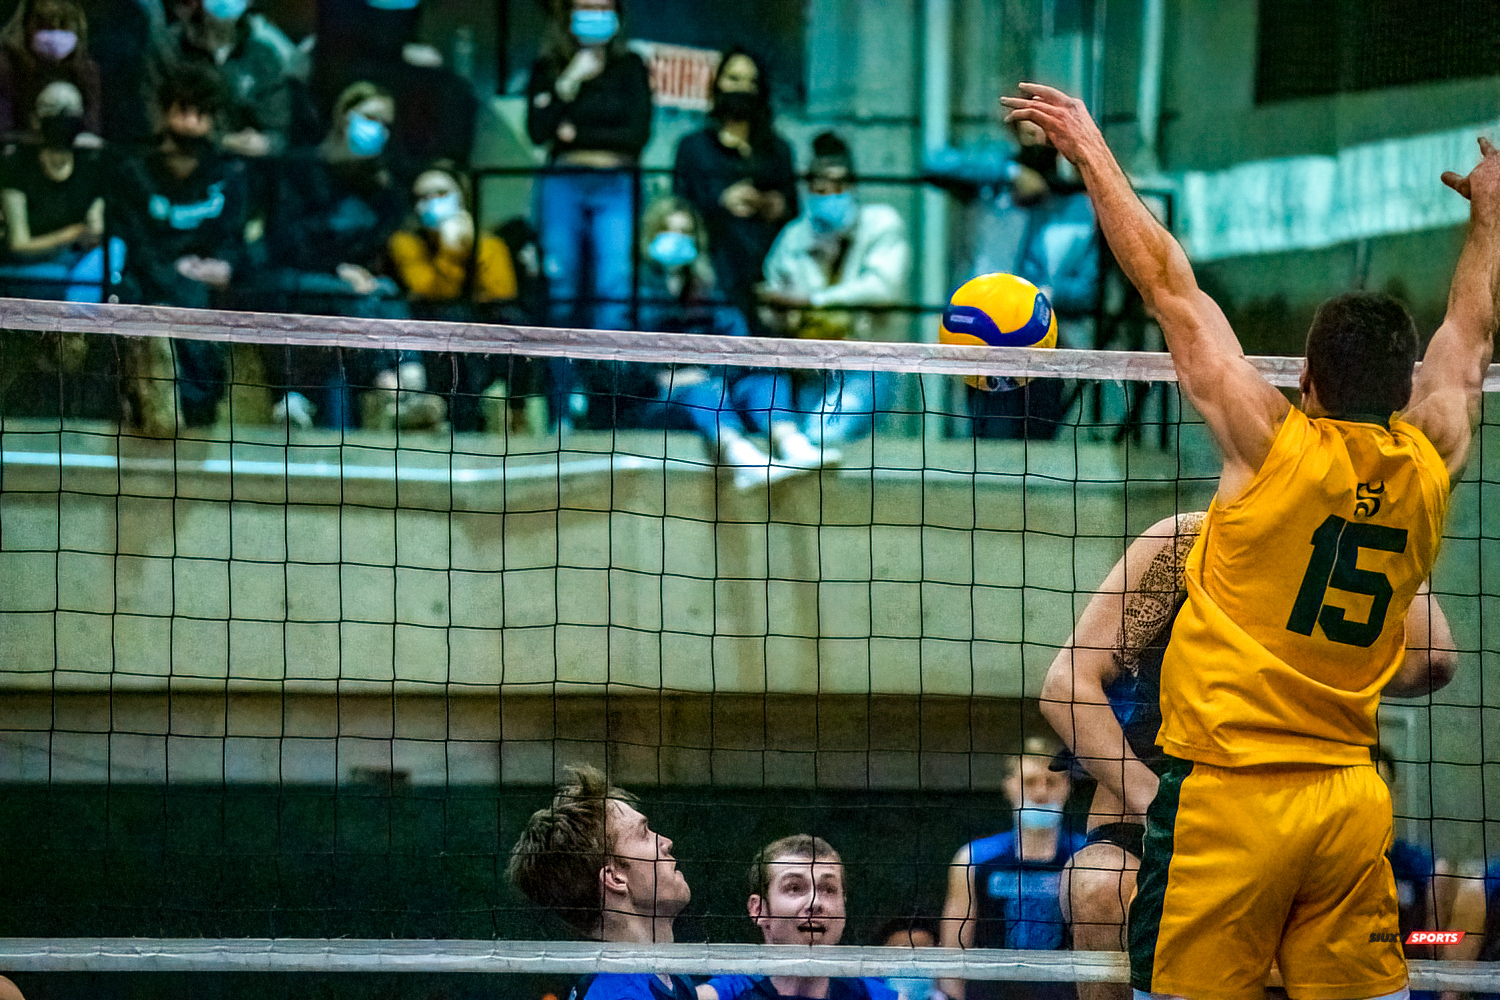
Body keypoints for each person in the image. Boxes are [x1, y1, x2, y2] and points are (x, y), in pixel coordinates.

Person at [1003, 82, 1500, 1000]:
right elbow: (1468, 339)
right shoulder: (1434, 457)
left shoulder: (1269, 447)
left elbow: (1168, 282)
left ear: (1304, 376)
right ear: (1403, 389)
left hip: (1231, 802)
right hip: (1349, 802)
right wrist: (1491, 216)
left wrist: (1090, 151)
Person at [1038, 513, 1458, 1000]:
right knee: (1099, 887)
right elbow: (1066, 685)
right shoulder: (1190, 539)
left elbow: (1431, 660)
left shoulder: (1345, 552)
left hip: (1300, 811)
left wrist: (1391, 528)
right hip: (1164, 812)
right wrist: (1162, 805)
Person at [927, 118, 1098, 439]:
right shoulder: (991, 186)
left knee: (1036, 444)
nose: (1034, 132)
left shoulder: (1079, 206)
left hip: (1048, 344)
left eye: (1045, 124)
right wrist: (1011, 174)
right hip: (987, 336)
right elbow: (935, 163)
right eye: (1026, 123)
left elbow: (1087, 289)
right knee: (992, 438)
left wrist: (1045, 296)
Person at [526, 0, 651, 426]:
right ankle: (562, 408)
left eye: (603, 5)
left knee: (612, 298)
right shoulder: (549, 65)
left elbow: (636, 134)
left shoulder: (631, 66)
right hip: (563, 185)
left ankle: (607, 410)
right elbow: (539, 130)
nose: (593, 12)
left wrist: (576, 129)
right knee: (560, 294)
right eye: (585, 5)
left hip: (615, 186)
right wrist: (566, 84)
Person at [260, 80, 409, 429]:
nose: (379, 130)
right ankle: (395, 388)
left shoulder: (384, 188)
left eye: (386, 124)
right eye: (371, 117)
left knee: (383, 295)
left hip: (353, 292)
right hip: (298, 279)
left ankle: (402, 385)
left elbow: (376, 246)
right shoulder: (298, 168)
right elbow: (282, 238)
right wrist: (335, 267)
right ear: (344, 117)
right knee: (345, 299)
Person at [113, 61, 248, 429]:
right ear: (165, 112)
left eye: (201, 114)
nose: (191, 123)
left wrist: (224, 266)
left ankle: (197, 404)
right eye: (183, 111)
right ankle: (156, 399)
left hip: (206, 282)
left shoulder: (228, 174)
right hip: (150, 278)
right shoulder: (134, 171)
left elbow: (234, 239)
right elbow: (133, 244)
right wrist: (176, 274)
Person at [760, 132, 911, 446]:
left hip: (866, 366)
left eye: (838, 183)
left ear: (854, 186)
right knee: (801, 443)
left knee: (821, 436)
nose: (829, 192)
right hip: (809, 368)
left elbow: (883, 289)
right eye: (819, 184)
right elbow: (771, 297)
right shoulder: (793, 236)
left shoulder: (882, 222)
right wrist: (779, 314)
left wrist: (811, 301)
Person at [508, 765, 695, 1000]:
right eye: (644, 834)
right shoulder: (620, 995)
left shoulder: (666, 978)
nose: (666, 842)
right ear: (615, 878)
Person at [939, 737, 1082, 1000]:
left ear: (1067, 787)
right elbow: (952, 955)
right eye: (1029, 782)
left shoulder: (1087, 859)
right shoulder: (973, 859)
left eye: (1051, 781)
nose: (1040, 792)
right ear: (1009, 786)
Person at [672, 47, 797, 328]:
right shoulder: (693, 148)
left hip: (768, 269)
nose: (742, 89)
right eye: (733, 79)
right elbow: (679, 208)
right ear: (717, 84)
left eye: (750, 82)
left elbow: (795, 213)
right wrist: (721, 201)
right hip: (713, 268)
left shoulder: (778, 151)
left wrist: (771, 205)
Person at [388, 165, 519, 431]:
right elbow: (434, 290)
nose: (433, 201)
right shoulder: (404, 243)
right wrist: (449, 250)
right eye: (424, 196)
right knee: (452, 319)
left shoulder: (490, 242)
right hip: (431, 327)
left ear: (461, 196)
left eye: (442, 193)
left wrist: (469, 244)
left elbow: (502, 290)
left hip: (482, 331)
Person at [702, 835, 898, 1000]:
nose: (815, 903)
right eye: (794, 887)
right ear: (759, 909)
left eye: (829, 890)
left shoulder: (875, 996)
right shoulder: (721, 995)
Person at [0, 81, 120, 301]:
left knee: (114, 249)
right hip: (26, 268)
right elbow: (18, 243)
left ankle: (78, 320)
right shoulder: (16, 166)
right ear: (36, 120)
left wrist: (94, 229)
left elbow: (97, 227)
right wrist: (73, 233)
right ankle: (76, 321)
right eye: (55, 115)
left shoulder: (90, 165)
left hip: (75, 264)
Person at [157, 0, 293, 159]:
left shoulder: (261, 57)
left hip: (244, 169)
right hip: (181, 162)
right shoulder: (173, 47)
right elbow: (159, 116)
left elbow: (277, 134)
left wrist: (265, 143)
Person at [0, 0, 101, 141]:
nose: (54, 35)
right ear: (26, 26)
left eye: (63, 27)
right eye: (44, 27)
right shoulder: (8, 66)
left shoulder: (86, 71)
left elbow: (92, 125)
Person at [876, 917, 949, 1000]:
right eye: (904, 954)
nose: (914, 963)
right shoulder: (863, 991)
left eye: (924, 954)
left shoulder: (942, 997)